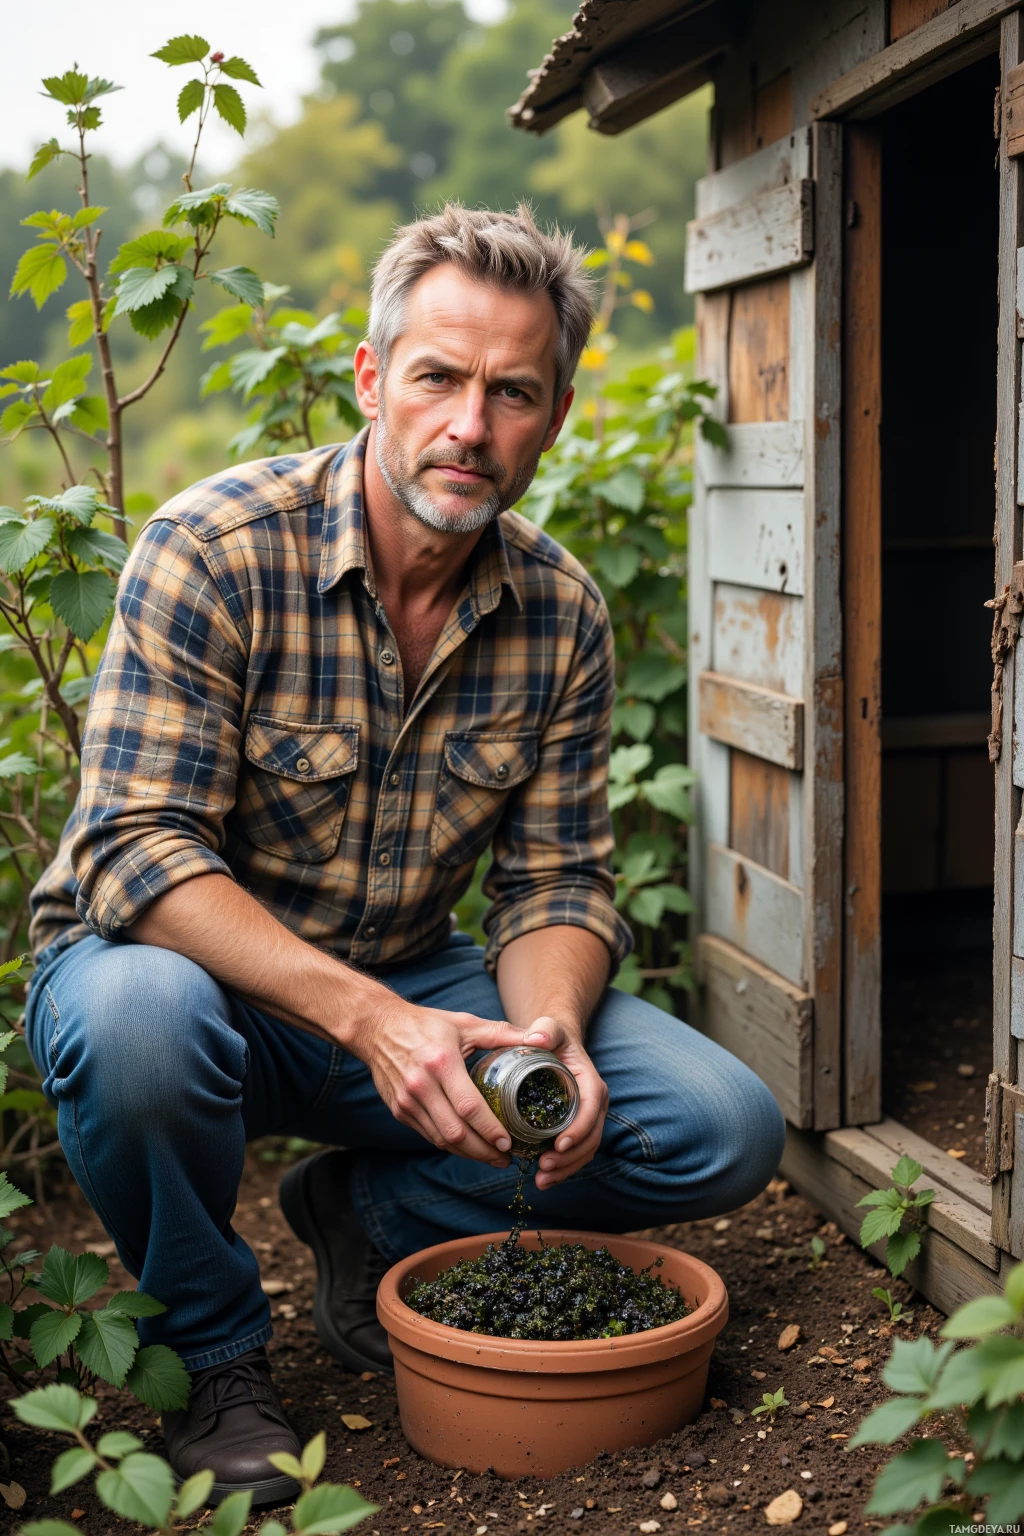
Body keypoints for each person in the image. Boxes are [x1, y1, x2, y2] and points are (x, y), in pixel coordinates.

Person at [25, 204, 785, 1505]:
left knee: (722, 1128)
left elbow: (558, 882)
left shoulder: (561, 614)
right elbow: (132, 853)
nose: (469, 427)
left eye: (513, 394)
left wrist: (546, 1036)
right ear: (376, 377)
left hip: (423, 991)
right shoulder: (215, 550)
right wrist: (374, 1025)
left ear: (552, 417)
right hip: (205, 988)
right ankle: (215, 1358)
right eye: (438, 377)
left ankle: (364, 1224)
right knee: (137, 1024)